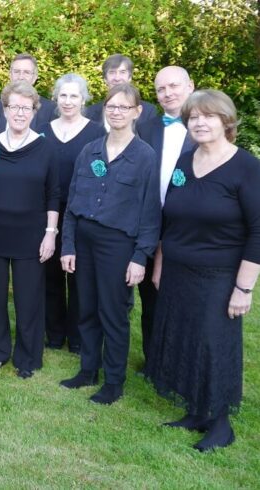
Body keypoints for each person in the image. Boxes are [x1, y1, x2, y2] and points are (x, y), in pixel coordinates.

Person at [145, 90, 260, 452]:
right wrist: (161, 264)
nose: (199, 122)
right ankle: (196, 409)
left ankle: (220, 423)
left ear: (226, 121)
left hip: (219, 275)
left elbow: (258, 230)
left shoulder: (246, 167)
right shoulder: (184, 162)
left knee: (213, 345)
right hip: (178, 268)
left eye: (208, 116)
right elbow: (170, 218)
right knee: (186, 339)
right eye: (193, 117)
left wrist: (244, 288)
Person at [59, 84, 160, 404]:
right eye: (111, 106)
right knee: (86, 309)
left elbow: (150, 212)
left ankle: (114, 382)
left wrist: (140, 257)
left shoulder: (145, 156)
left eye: (124, 107)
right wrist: (68, 245)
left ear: (137, 112)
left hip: (118, 244)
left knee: (113, 313)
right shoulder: (90, 150)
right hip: (85, 240)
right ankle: (88, 369)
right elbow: (73, 200)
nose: (116, 112)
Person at [0, 81, 59, 379]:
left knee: (29, 298)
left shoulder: (46, 147)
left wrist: (50, 233)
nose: (19, 112)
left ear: (35, 111)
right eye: (14, 107)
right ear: (4, 109)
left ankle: (27, 358)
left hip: (31, 235)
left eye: (26, 107)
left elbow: (53, 195)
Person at [38, 74, 106, 353]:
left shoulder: (98, 133)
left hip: (82, 214)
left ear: (84, 99)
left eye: (74, 96)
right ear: (55, 98)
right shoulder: (41, 130)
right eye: (63, 95)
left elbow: (103, 175)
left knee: (80, 276)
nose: (68, 101)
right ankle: (54, 334)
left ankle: (78, 337)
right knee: (49, 274)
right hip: (46, 213)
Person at [135, 66, 195, 367]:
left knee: (184, 299)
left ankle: (180, 362)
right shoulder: (148, 128)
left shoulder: (207, 127)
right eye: (161, 89)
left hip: (189, 229)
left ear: (190, 86)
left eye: (174, 86)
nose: (168, 93)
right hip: (151, 224)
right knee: (150, 297)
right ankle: (153, 359)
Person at [0, 53, 56, 137]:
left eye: (26, 72)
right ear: (10, 75)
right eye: (17, 72)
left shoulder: (50, 109)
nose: (21, 77)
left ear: (35, 77)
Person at [86, 54, 158, 133]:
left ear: (130, 77)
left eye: (122, 72)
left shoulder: (148, 111)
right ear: (105, 79)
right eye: (112, 72)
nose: (117, 78)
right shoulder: (89, 113)